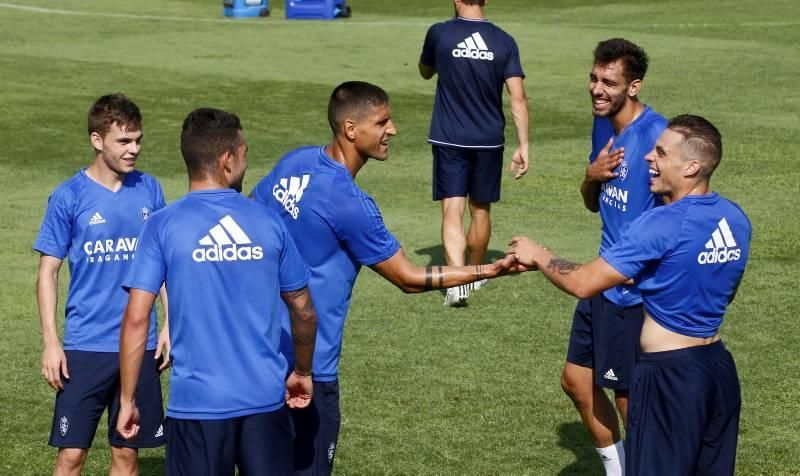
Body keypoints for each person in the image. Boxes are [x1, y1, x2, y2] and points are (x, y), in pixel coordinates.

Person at [250, 81, 518, 475]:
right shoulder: (349, 203)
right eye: (382, 121)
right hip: (309, 371)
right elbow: (408, 278)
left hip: (258, 355)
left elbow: (252, 216)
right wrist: (487, 270)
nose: (392, 130)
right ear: (351, 129)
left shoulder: (295, 162)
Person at [508, 114, 751, 475]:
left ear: (691, 167)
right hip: (718, 370)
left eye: (661, 153)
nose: (650, 158)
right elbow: (721, 291)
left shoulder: (659, 223)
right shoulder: (734, 219)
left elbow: (584, 283)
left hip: (669, 377)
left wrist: (538, 254)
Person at [116, 108, 319, 475]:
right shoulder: (268, 220)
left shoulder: (163, 226)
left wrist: (128, 398)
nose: (245, 160)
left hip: (196, 406)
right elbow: (303, 310)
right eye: (244, 153)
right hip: (264, 403)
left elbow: (135, 318)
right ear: (227, 161)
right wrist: (303, 371)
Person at [33, 93, 169, 476]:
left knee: (126, 455)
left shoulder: (150, 190)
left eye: (138, 140)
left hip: (139, 346)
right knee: (71, 456)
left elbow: (162, 266)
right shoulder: (68, 197)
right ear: (97, 140)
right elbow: (48, 272)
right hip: (85, 345)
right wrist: (51, 342)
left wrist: (171, 324)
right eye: (124, 141)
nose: (134, 150)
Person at [558, 38, 668, 475]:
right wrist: (590, 178)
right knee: (576, 380)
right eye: (593, 78)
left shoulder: (657, 136)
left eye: (609, 82)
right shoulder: (602, 125)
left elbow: (677, 212)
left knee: (628, 400)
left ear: (634, 86)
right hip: (601, 276)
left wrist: (644, 269)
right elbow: (594, 201)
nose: (596, 89)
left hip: (632, 291)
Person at [418, 0, 530, 306]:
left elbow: (425, 71)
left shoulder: (439, 34)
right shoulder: (504, 41)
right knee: (481, 210)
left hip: (449, 137)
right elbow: (517, 97)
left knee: (451, 210)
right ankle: (477, 274)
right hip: (489, 141)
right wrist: (524, 145)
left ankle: (457, 282)